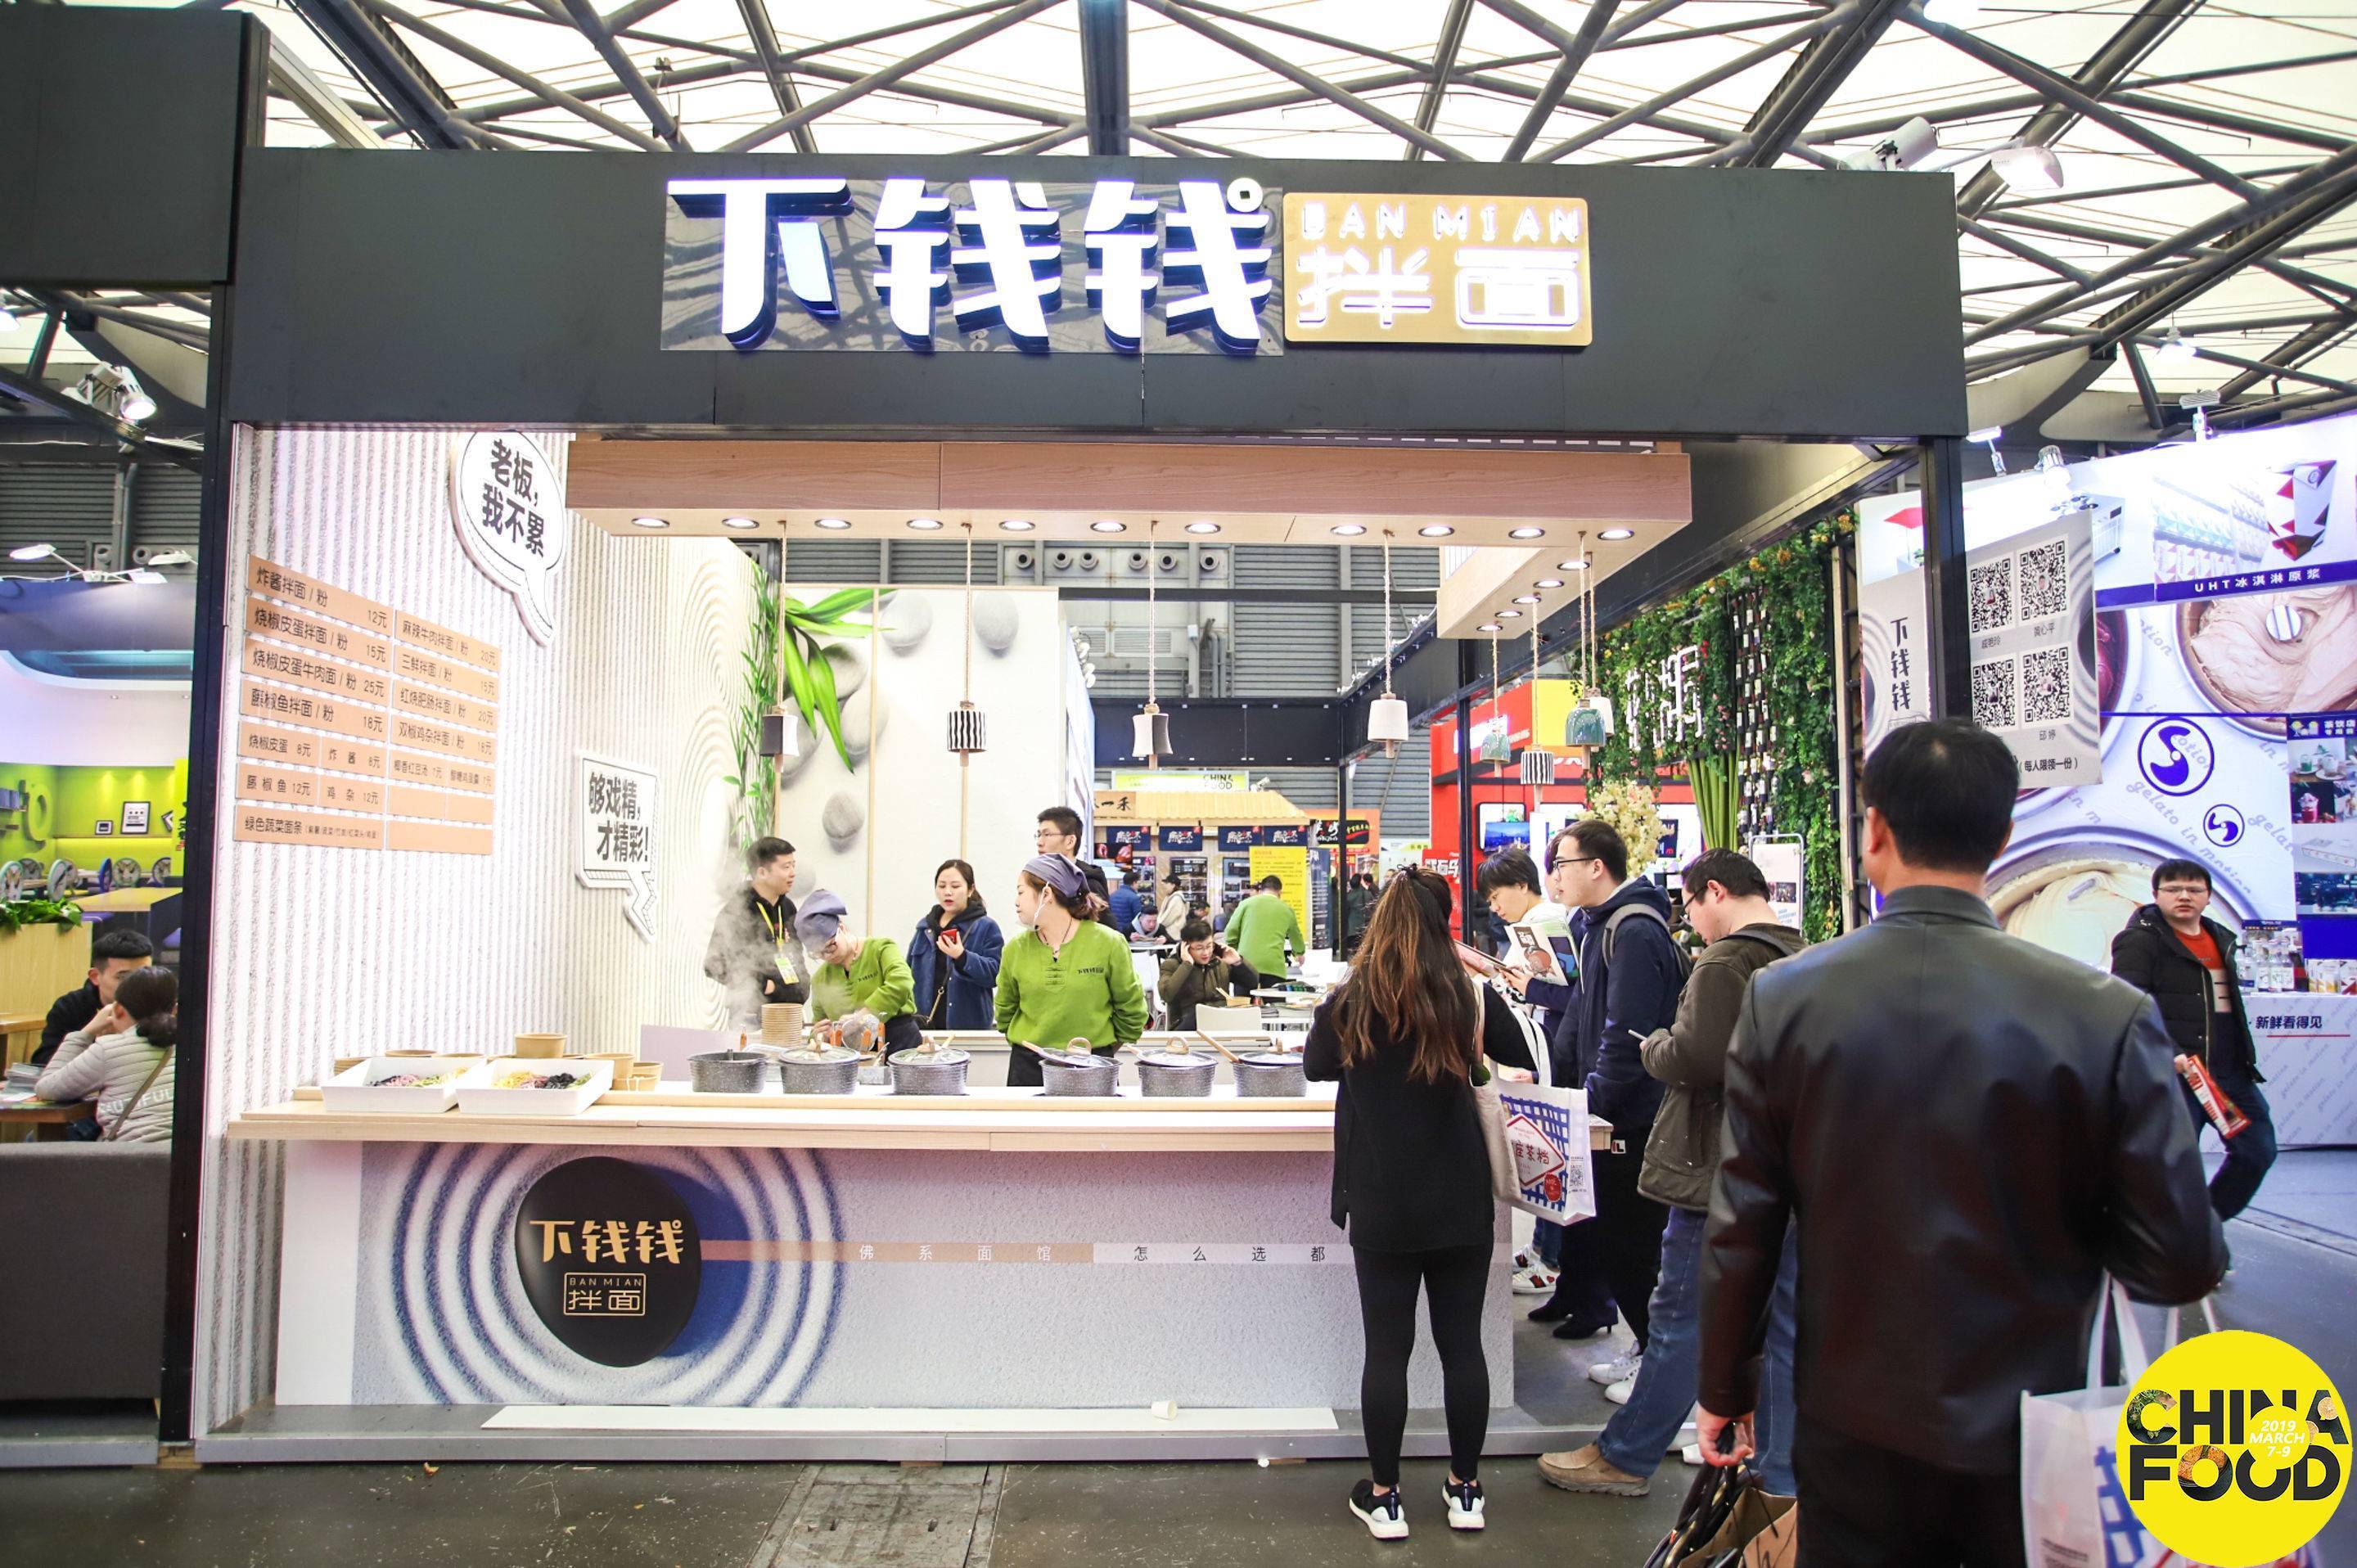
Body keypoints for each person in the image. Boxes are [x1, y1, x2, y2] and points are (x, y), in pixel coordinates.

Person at [1697, 721, 2224, 1566]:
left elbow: (1744, 1225)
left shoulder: (1785, 999)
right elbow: (2181, 1261)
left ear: (1874, 831)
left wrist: (1725, 1384)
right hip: (2039, 1425)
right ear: (2004, 836)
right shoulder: (2105, 1013)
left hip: (1851, 1413)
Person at [1540, 849, 1804, 1498]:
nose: (1690, 923)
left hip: (1711, 1165)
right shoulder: (1804, 956)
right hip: (1785, 1167)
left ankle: (1626, 1455)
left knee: (1680, 1314)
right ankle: (1775, 1480)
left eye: (1691, 907)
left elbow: (1696, 1056)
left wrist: (1653, 1045)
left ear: (1714, 892)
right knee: (1778, 1327)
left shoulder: (1723, 962)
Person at [1305, 867, 1539, 1540]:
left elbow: (1316, 1066)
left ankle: (1384, 1498)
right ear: (1445, 925)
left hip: (1382, 1198)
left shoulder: (1353, 999)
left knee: (1387, 1350)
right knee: (1463, 1346)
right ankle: (1466, 1490)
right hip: (1460, 1196)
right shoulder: (1468, 994)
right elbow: (1522, 1053)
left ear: (1380, 919)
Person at [1552, 818, 1686, 1399]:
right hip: (1609, 1115)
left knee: (1635, 1247)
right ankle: (1645, 1347)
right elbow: (1585, 1015)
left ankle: (1660, 1368)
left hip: (1631, 1118)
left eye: (1562, 865)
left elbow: (1626, 1033)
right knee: (1617, 1242)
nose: (1556, 877)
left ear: (1596, 867)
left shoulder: (1632, 931)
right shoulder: (1600, 927)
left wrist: (1594, 1101)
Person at [2111, 858, 2277, 1222]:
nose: (2184, 896)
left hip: (2229, 1073)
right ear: (2156, 895)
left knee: (2257, 1151)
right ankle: (2159, 1241)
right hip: (2173, 1073)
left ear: (2208, 896)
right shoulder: (2140, 940)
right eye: (2173, 889)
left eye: (2193, 889)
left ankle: (2205, 1227)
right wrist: (2169, 1052)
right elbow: (2127, 1002)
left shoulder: (2223, 938)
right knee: (2169, 1167)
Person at [1478, 848, 1575, 1298]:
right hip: (1541, 1050)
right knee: (1543, 1154)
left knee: (1552, 1156)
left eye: (1497, 896)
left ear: (1522, 885)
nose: (1494, 907)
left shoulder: (1546, 922)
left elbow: (1566, 992)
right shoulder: (1529, 925)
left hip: (1552, 1051)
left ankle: (1550, 1260)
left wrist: (1524, 986)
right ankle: (1541, 1249)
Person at [994, 854, 1147, 1087]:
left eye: (1021, 892)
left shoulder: (1109, 943)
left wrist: (1103, 1049)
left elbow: (1132, 1011)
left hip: (1093, 1066)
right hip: (1028, 1069)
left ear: (1046, 894)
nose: (1016, 902)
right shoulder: (1016, 948)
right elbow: (1005, 1012)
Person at [35, 964, 178, 1143]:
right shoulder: (194, 1047)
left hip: (131, 1155)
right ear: (175, 1010)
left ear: (117, 1010)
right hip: (187, 1154)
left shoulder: (107, 1049)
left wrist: (86, 1032)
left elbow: (47, 1089)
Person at [799, 890, 923, 1057]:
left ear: (841, 928)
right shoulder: (821, 979)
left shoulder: (880, 949)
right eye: (819, 954)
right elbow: (819, 1025)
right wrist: (819, 1036)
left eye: (830, 946)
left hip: (900, 1043)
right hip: (850, 1055)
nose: (827, 956)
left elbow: (902, 983)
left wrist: (865, 1014)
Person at [703, 836, 807, 1029]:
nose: (793, 873)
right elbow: (713, 965)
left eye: (793, 866)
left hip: (789, 1012)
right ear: (762, 872)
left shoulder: (788, 908)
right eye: (786, 867)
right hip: (750, 1016)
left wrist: (801, 988)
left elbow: (797, 959)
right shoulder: (737, 909)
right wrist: (762, 986)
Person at [908, 859, 1005, 1033]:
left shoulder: (985, 927)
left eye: (955, 886)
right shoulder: (925, 928)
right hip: (926, 1027)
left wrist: (963, 956)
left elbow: (995, 975)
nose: (948, 892)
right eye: (942, 886)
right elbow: (908, 973)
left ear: (970, 890)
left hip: (968, 1030)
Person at [35, 928, 155, 1067]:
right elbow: (44, 1063)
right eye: (124, 977)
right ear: (95, 976)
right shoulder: (70, 1006)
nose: (137, 984)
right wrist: (88, 1036)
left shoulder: (159, 1004)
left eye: (144, 975)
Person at [1159, 919, 1260, 1031]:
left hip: (1220, 1021)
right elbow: (1166, 995)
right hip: (1186, 1025)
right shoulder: (1171, 965)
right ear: (1185, 947)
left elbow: (1252, 983)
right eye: (1199, 948)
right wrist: (1187, 965)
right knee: (1198, 1013)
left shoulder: (1220, 962)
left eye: (1209, 946)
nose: (1206, 953)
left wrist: (1238, 962)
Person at [1226, 875, 1305, 979]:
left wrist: (1235, 950)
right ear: (1280, 893)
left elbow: (1231, 931)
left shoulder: (1245, 904)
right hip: (1273, 968)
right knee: (1272, 990)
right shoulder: (1287, 910)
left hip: (1245, 966)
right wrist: (1299, 953)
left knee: (1244, 990)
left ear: (1261, 890)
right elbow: (1296, 936)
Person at [1341, 872, 1376, 956]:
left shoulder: (1347, 896)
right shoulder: (1367, 894)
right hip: (1365, 926)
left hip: (1351, 928)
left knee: (1352, 953)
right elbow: (1373, 909)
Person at [1108, 869, 1144, 935]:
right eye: (1139, 883)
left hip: (1114, 931)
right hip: (1128, 932)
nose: (1139, 885)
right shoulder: (1134, 898)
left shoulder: (1112, 895)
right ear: (1134, 882)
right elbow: (1138, 919)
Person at [1157, 873, 1191, 940]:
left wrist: (1157, 927)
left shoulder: (1176, 899)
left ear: (1173, 885)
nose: (1164, 885)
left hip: (1172, 935)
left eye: (1167, 883)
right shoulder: (1170, 897)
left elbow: (1168, 918)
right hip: (1171, 934)